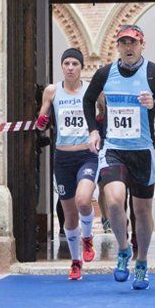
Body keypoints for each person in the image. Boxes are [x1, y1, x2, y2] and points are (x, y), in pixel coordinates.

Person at [84, 24, 155, 290]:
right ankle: (123, 250)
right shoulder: (105, 73)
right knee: (113, 202)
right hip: (114, 149)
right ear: (118, 47)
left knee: (142, 210)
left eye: (133, 43)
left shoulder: (154, 73)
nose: (128, 47)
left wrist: (154, 105)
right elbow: (88, 100)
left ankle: (142, 262)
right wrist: (93, 131)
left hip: (143, 151)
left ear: (142, 45)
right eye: (123, 43)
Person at [36, 47, 101, 281]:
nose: (71, 68)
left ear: (82, 67)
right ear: (62, 67)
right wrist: (41, 120)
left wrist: (98, 133)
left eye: (75, 64)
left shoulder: (91, 91)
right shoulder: (52, 91)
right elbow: (41, 120)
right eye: (67, 64)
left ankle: (87, 237)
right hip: (62, 157)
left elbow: (102, 115)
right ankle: (75, 262)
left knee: (84, 199)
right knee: (69, 214)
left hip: (86, 154)